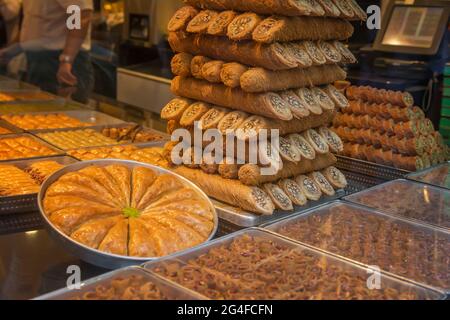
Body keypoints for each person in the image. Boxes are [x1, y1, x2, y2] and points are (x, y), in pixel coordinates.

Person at [0, 0, 94, 103]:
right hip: (37, 58)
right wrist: (14, 47)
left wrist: (67, 59)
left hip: (60, 60)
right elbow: (33, 20)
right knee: (36, 112)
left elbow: (78, 14)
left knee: (65, 115)